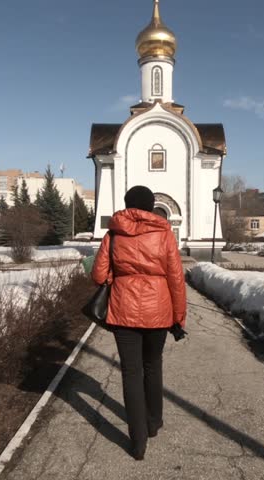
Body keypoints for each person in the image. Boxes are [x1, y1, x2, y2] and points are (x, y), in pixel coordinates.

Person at [91, 185, 187, 460]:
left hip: (124, 309)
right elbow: (176, 279)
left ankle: (138, 441)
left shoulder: (114, 232)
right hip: (158, 310)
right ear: (149, 206)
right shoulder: (164, 233)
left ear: (127, 205)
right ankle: (154, 422)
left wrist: (116, 279)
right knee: (152, 365)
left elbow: (98, 275)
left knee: (131, 373)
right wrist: (178, 316)